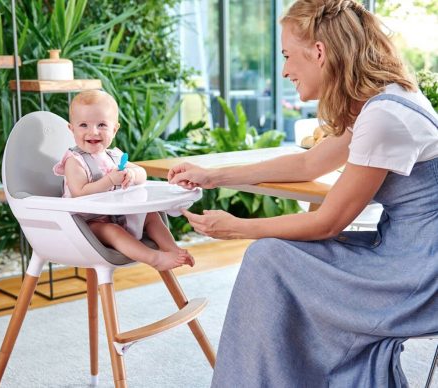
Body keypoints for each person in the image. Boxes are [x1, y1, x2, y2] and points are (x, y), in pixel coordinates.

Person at [168, 0, 438, 386]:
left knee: (269, 258)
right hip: (408, 251)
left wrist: (237, 227)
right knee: (274, 258)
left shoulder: (384, 116)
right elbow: (310, 164)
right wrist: (212, 176)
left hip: (419, 274)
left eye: (287, 56)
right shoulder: (381, 100)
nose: (284, 70)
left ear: (320, 52)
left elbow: (327, 222)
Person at [53, 90, 194, 271]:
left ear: (115, 129)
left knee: (152, 216)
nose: (93, 132)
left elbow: (142, 173)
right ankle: (155, 258)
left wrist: (132, 175)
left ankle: (173, 250)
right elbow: (79, 192)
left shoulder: (114, 156)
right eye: (83, 125)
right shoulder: (74, 161)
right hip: (86, 224)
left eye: (102, 125)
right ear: (72, 129)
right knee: (113, 231)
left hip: (116, 215)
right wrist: (110, 180)